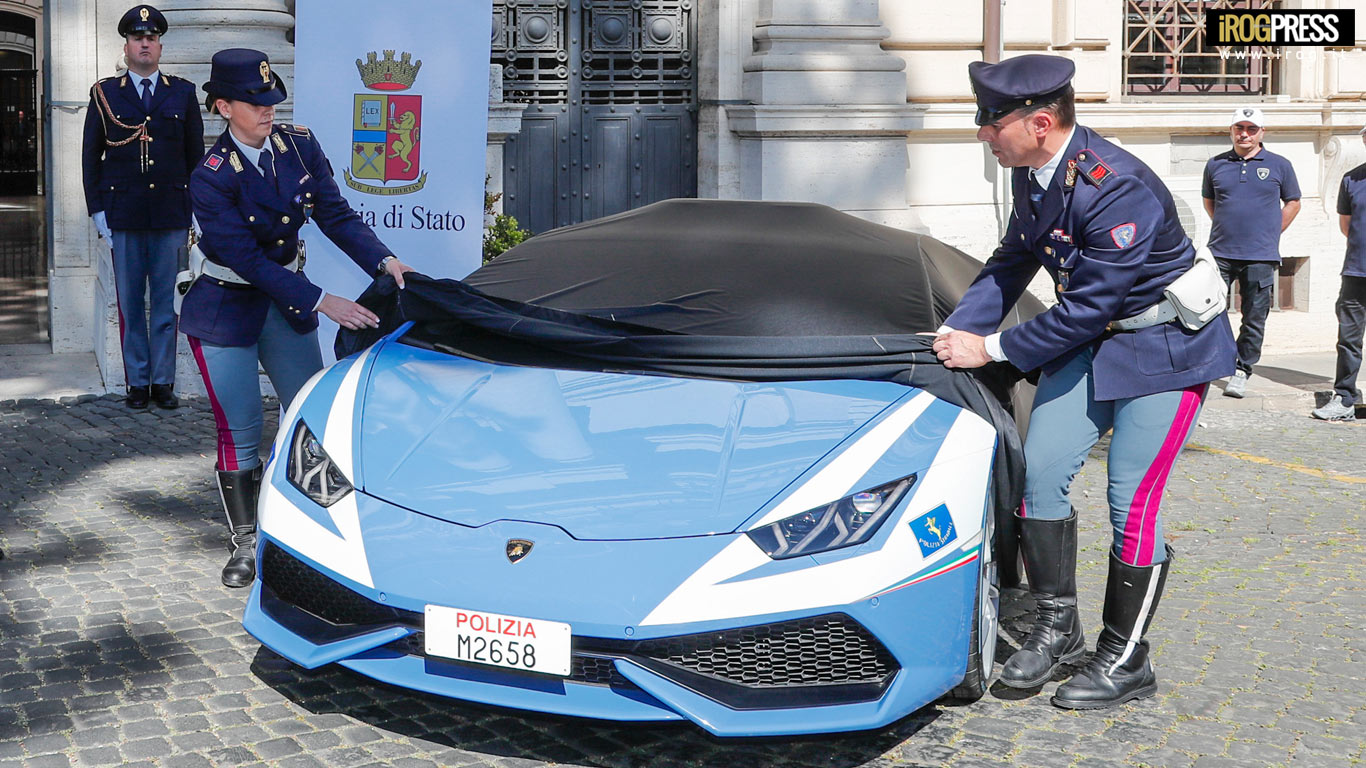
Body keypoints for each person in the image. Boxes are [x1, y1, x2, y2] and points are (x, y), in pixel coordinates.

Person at [933, 54, 1236, 710]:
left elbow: (1086, 308)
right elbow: (1014, 257)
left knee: (1132, 499)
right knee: (1040, 472)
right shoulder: (1036, 173)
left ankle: (1126, 660)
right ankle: (1056, 624)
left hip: (1167, 352)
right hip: (1094, 343)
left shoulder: (1115, 185)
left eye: (992, 122)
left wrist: (989, 347)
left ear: (1040, 123)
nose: (983, 133)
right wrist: (957, 331)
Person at [182, 48, 413, 588]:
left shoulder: (299, 146)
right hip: (227, 307)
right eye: (254, 102)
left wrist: (383, 259)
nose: (268, 111)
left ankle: (315, 531)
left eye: (272, 100)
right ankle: (247, 544)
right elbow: (246, 260)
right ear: (222, 107)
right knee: (239, 430)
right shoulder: (210, 176)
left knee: (310, 419)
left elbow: (334, 213)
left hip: (284, 304)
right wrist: (321, 300)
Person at [81, 4, 204, 409]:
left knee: (168, 303)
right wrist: (97, 211)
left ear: (160, 46)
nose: (145, 43)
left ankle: (163, 382)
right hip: (124, 215)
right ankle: (137, 382)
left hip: (170, 214)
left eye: (151, 38)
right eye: (138, 37)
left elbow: (195, 159)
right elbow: (90, 157)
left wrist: (196, 210)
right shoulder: (104, 94)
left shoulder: (182, 93)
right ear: (126, 46)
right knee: (132, 303)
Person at [1202, 107, 1301, 398]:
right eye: (1239, 128)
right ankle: (1211, 364)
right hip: (1220, 253)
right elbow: (1210, 202)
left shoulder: (1279, 165)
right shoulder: (1215, 164)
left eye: (1251, 129)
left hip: (1260, 254)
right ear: (1231, 131)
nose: (1244, 134)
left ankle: (1242, 370)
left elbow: (1293, 202)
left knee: (1254, 317)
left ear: (1262, 133)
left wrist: (1271, 231)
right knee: (1208, 312)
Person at [1311, 126, 1366, 422]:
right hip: (1357, 272)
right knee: (1348, 340)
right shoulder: (1351, 179)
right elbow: (1347, 226)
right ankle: (1345, 398)